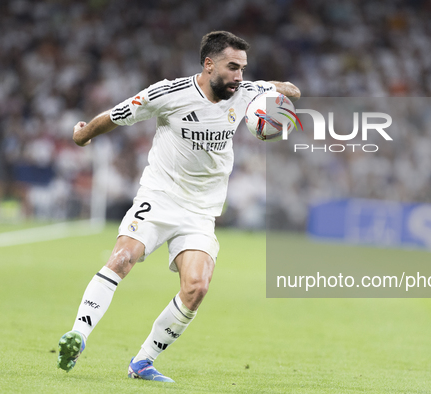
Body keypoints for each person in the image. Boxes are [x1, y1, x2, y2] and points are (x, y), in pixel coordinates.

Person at [56, 31, 300, 382]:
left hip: (201, 211)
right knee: (123, 258)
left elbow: (284, 87)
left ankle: (143, 362)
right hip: (159, 197)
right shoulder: (169, 93)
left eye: (243, 69)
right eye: (233, 67)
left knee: (197, 287)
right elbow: (116, 114)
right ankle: (78, 335)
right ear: (208, 64)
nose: (239, 76)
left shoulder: (246, 92)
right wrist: (83, 135)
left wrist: (283, 93)